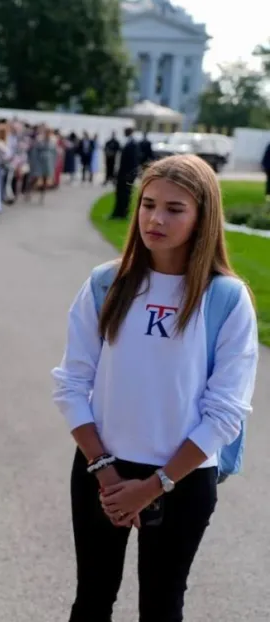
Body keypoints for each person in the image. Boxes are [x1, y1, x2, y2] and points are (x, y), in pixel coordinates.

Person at [51, 154, 259, 622]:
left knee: (162, 606)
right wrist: (106, 472)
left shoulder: (225, 298)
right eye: (147, 204)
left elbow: (225, 412)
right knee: (92, 599)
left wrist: (153, 486)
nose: (155, 219)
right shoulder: (107, 284)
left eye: (174, 209)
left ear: (203, 217)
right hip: (101, 470)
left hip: (182, 478)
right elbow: (71, 384)